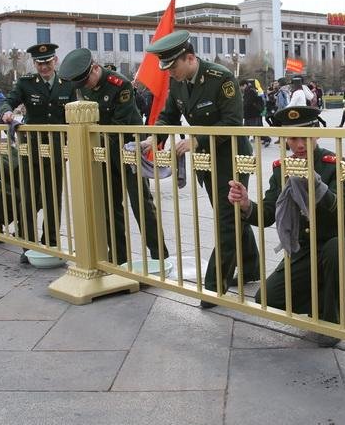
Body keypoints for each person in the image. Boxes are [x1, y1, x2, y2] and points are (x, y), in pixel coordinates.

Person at [227, 105, 345, 347]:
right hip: (304, 250)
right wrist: (245, 204)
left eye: (305, 137)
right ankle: (320, 295)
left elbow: (338, 209)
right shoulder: (281, 168)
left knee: (335, 251)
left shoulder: (336, 165)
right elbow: (267, 214)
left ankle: (332, 321)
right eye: (293, 138)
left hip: (343, 244)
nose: (300, 144)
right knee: (268, 298)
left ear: (316, 135)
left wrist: (314, 183)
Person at [141, 30, 260, 306]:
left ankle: (214, 286)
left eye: (173, 66)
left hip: (231, 157)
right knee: (228, 214)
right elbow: (168, 116)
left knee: (226, 219)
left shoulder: (221, 79)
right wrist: (153, 137)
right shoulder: (179, 83)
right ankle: (251, 266)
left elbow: (233, 123)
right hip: (207, 161)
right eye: (167, 68)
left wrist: (196, 139)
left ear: (190, 58)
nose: (169, 73)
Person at [59, 48, 170, 263]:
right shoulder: (83, 88)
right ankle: (118, 257)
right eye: (80, 85)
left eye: (86, 82)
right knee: (110, 204)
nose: (85, 88)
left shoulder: (120, 85)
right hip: (105, 153)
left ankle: (159, 255)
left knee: (141, 203)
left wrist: (92, 139)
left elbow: (120, 124)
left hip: (129, 150)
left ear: (95, 68)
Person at [0, 43, 77, 262]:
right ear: (34, 64)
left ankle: (51, 242)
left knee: (53, 196)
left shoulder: (67, 85)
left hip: (56, 148)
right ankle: (27, 245)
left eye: (48, 62)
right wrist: (6, 112)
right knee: (29, 196)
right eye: (40, 63)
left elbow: (73, 113)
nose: (44, 67)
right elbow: (9, 101)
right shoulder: (26, 84)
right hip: (30, 148)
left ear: (56, 61)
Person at [242, 80, 270, 147]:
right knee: (248, 129)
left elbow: (248, 103)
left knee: (255, 129)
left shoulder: (250, 91)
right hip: (251, 114)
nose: (241, 88)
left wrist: (242, 105)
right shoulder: (251, 90)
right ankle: (244, 143)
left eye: (241, 86)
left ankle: (266, 139)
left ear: (245, 85)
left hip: (252, 114)